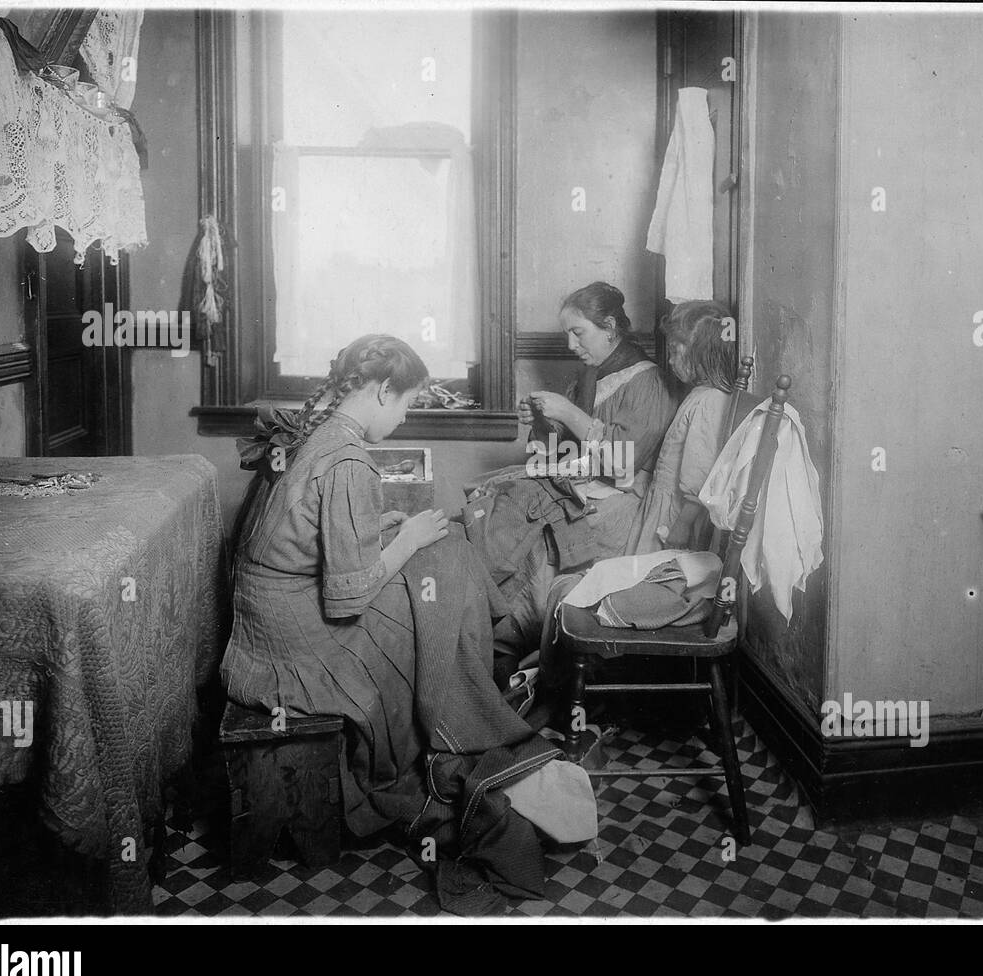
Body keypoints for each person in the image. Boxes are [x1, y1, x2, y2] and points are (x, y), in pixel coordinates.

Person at [221, 334, 561, 910]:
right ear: (381, 390)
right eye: (405, 405)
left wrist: (382, 532)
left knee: (440, 566)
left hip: (264, 616)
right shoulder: (348, 459)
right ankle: (467, 710)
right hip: (292, 643)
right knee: (439, 585)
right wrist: (403, 540)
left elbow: (303, 540)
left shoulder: (320, 431)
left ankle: (474, 678)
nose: (403, 419)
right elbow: (348, 600)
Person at [466, 282, 677, 679]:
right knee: (499, 502)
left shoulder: (648, 381)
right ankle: (484, 641)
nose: (569, 343)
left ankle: (502, 648)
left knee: (534, 531)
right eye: (567, 333)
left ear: (610, 326)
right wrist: (545, 422)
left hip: (624, 502)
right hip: (583, 487)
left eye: (578, 332)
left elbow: (621, 464)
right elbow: (556, 454)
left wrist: (569, 412)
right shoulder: (589, 375)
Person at [626, 300, 739, 554]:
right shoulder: (699, 394)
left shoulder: (709, 401)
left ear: (699, 353)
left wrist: (682, 525)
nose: (670, 360)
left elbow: (700, 475)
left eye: (676, 352)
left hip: (676, 513)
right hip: (663, 501)